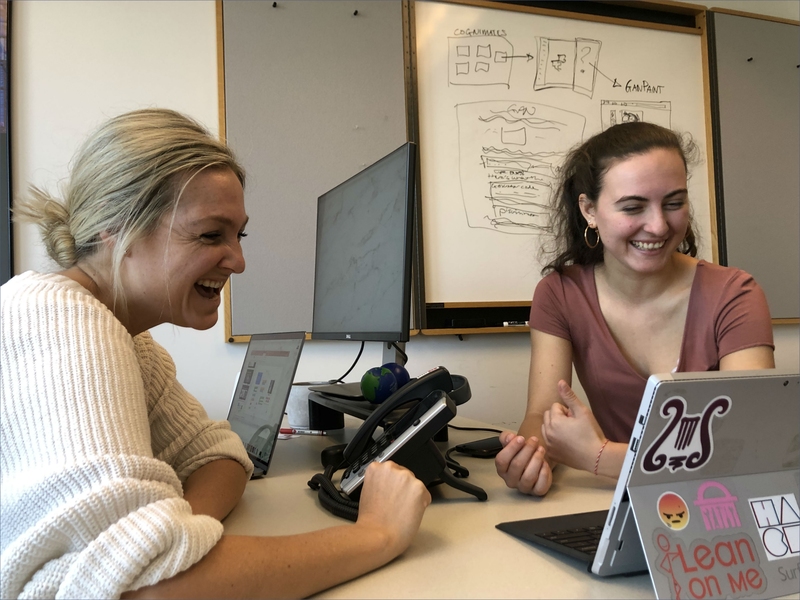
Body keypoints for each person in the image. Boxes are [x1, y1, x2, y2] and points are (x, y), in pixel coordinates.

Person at [0, 108, 431, 599]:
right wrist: (377, 534)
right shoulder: (64, 328)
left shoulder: (129, 340)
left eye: (238, 234)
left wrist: (172, 542)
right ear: (112, 228)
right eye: (210, 234)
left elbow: (220, 454)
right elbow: (153, 591)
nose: (239, 261)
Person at [495, 121, 774, 497]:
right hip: (614, 502)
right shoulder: (559, 293)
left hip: (717, 505)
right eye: (633, 207)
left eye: (674, 203)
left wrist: (598, 456)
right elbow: (542, 414)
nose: (658, 225)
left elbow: (749, 448)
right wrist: (531, 457)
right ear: (589, 210)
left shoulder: (736, 294)